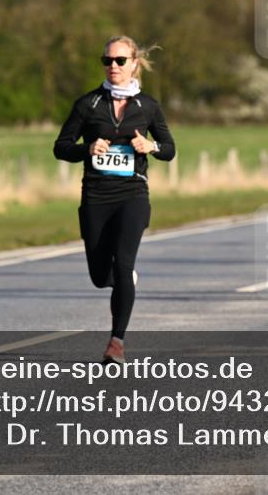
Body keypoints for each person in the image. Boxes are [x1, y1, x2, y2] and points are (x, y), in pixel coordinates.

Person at [54, 35, 175, 363]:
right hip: (95, 196)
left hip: (133, 195)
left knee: (123, 264)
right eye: (107, 61)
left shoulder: (147, 106)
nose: (113, 66)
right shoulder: (88, 104)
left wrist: (151, 147)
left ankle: (116, 342)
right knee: (99, 276)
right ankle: (121, 280)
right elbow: (60, 146)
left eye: (120, 60)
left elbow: (169, 149)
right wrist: (86, 149)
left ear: (134, 63)